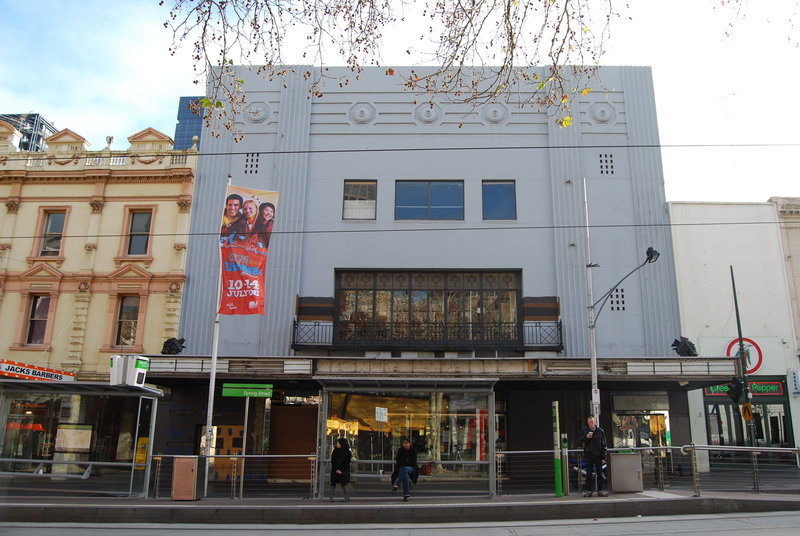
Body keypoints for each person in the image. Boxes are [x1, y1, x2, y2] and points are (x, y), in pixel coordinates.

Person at [579, 416, 608, 497]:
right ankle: (589, 491)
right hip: (589, 454)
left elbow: (604, 444)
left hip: (598, 455)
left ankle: (600, 490)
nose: (591, 424)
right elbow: (580, 440)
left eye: (592, 422)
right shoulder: (584, 430)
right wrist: (586, 437)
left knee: (599, 473)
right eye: (589, 422)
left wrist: (603, 457)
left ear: (595, 422)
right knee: (588, 474)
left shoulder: (600, 431)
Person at [390, 437, 418, 502]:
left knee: (405, 469)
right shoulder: (401, 450)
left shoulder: (413, 450)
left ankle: (396, 485)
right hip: (402, 468)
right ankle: (406, 495)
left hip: (411, 468)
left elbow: (413, 462)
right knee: (405, 475)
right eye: (404, 443)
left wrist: (405, 462)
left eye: (407, 443)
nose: (405, 444)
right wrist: (406, 461)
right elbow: (398, 461)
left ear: (409, 444)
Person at [329, 437, 351, 502]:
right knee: (333, 482)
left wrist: (341, 470)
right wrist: (336, 469)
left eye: (338, 443)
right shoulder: (335, 451)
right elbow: (333, 461)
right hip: (335, 469)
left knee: (344, 483)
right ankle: (331, 497)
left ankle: (347, 497)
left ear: (342, 444)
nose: (337, 444)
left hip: (344, 470)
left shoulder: (347, 452)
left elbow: (347, 462)